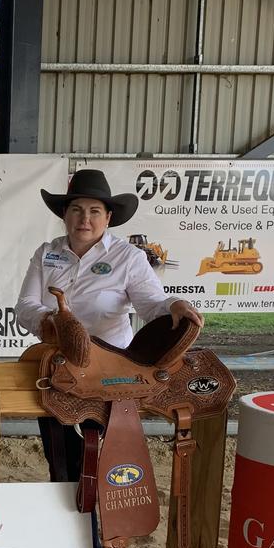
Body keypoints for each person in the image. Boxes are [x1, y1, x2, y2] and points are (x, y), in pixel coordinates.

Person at [15, 169, 204, 482]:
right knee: (60, 458)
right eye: (76, 210)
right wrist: (51, 321)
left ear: (108, 217)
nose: (84, 219)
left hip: (110, 367)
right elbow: (25, 306)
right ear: (64, 214)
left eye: (94, 211)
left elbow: (152, 305)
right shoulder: (46, 253)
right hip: (58, 362)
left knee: (102, 456)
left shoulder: (128, 257)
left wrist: (174, 304)